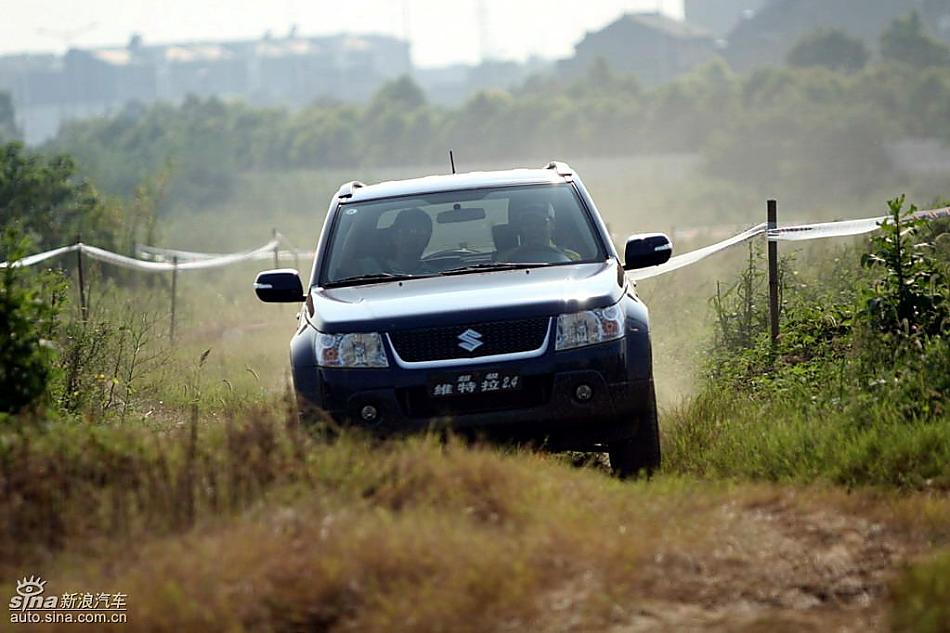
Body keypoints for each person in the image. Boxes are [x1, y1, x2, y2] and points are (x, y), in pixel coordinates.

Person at [499, 201, 580, 263]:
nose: (533, 228)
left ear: (553, 225)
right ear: (521, 227)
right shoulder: (505, 260)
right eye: (527, 223)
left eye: (540, 222)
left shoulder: (571, 258)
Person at [384, 207, 434, 274]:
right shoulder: (370, 270)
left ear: (428, 239)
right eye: (406, 231)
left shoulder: (435, 277)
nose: (412, 238)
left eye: (420, 232)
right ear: (394, 235)